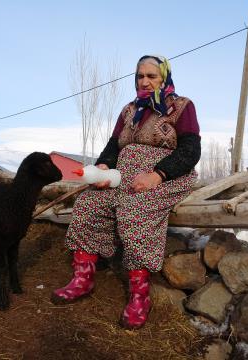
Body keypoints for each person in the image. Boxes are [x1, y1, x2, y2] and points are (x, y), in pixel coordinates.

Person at [51, 55, 201, 329]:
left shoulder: (181, 107)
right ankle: (83, 279)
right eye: (139, 76)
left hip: (165, 175)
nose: (144, 81)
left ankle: (139, 296)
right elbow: (112, 147)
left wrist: (158, 175)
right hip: (125, 176)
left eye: (151, 76)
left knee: (134, 211)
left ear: (164, 77)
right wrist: (103, 169)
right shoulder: (129, 111)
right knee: (88, 203)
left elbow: (191, 151)